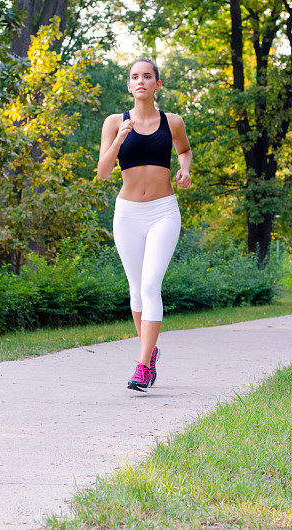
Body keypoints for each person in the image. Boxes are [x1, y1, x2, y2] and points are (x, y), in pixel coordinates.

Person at [96, 57, 193, 392]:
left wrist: (185, 168)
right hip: (127, 214)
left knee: (151, 286)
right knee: (136, 289)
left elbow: (184, 151)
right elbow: (103, 172)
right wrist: (120, 139)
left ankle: (141, 366)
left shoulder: (173, 121)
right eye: (135, 77)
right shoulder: (114, 122)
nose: (141, 81)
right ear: (128, 84)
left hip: (163, 211)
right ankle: (150, 354)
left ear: (157, 84)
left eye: (147, 76)